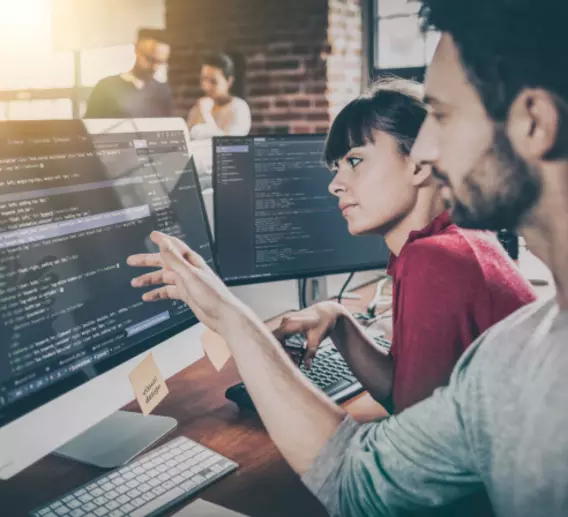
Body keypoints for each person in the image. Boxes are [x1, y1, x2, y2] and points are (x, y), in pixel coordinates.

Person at [127, 0, 568, 515]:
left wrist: (230, 315)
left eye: (442, 116)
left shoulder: (443, 265)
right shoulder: (520, 346)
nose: (425, 149)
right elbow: (367, 472)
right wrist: (337, 318)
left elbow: (370, 487)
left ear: (535, 122)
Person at [274, 79, 535, 421]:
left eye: (354, 160)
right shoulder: (451, 239)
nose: (335, 184)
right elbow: (401, 395)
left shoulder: (434, 260)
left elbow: (412, 438)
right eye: (336, 167)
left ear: (420, 164)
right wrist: (338, 319)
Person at [84, 28, 173, 119]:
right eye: (150, 59)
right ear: (136, 50)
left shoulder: (163, 92)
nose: (154, 67)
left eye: (160, 62)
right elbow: (88, 127)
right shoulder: (105, 88)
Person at [187, 52, 251, 139]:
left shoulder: (239, 108)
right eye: (203, 79)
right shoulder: (197, 108)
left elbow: (228, 144)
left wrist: (206, 114)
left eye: (213, 82)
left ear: (229, 81)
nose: (206, 87)